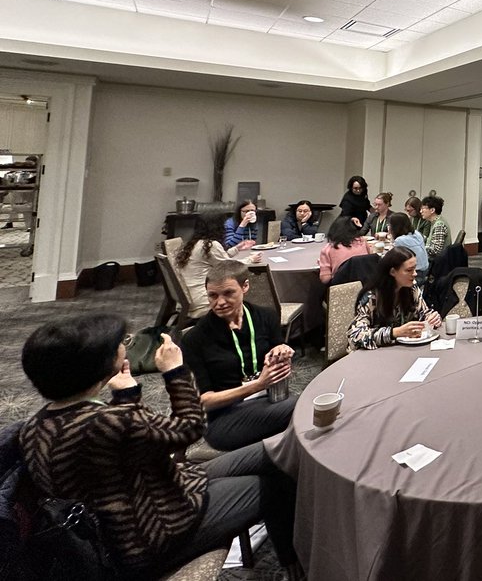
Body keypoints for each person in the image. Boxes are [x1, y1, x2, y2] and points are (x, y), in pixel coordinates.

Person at [19, 314, 300, 579]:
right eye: (120, 343)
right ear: (93, 367)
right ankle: (295, 568)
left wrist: (126, 394)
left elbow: (123, 447)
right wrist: (175, 371)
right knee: (276, 485)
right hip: (152, 534)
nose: (124, 346)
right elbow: (190, 428)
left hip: (144, 503)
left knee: (272, 450)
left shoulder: (35, 426)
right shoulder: (107, 420)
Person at [181, 261, 297, 450]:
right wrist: (257, 385)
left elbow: (278, 358)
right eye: (212, 295)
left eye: (228, 293)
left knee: (298, 421)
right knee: (300, 409)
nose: (219, 303)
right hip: (223, 418)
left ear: (245, 287)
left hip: (269, 399)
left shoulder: (266, 316)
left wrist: (282, 352)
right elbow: (204, 401)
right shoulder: (195, 339)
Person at [348, 246, 443, 349]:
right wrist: (394, 333)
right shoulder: (372, 297)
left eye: (415, 268)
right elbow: (355, 335)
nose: (415, 274)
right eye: (409, 270)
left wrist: (432, 318)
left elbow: (423, 312)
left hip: (399, 350)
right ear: (392, 272)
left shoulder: (411, 288)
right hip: (371, 356)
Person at [175, 211, 261, 318]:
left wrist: (237, 248)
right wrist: (250, 259)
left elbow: (218, 259)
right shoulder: (210, 245)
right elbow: (229, 267)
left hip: (189, 298)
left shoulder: (195, 243)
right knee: (247, 289)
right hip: (202, 300)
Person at [318, 215, 373, 283]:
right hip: (366, 285)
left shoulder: (329, 249)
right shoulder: (363, 242)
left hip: (342, 288)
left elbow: (325, 279)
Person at [388, 212, 429, 280]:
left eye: (390, 225)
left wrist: (392, 235)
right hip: (425, 269)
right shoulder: (416, 233)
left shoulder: (400, 240)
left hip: (416, 273)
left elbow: (392, 257)